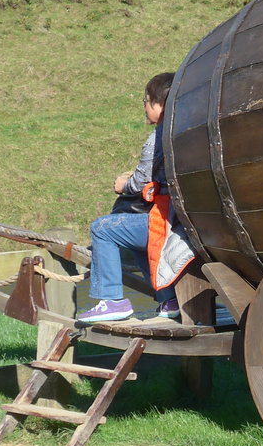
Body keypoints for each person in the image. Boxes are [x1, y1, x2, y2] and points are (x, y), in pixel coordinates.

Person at [76, 72, 195, 323]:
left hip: (166, 221)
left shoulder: (157, 138)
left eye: (147, 100)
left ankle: (111, 300)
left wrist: (123, 184)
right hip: (181, 219)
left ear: (161, 104)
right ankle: (168, 299)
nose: (144, 105)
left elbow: (139, 182)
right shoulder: (185, 131)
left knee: (102, 229)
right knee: (137, 239)